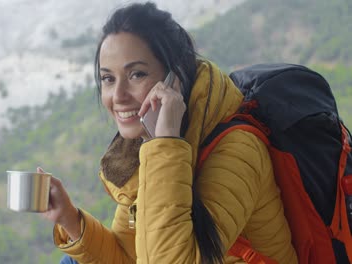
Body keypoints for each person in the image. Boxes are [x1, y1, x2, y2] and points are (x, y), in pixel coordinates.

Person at [39, 2, 298, 263]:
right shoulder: (147, 143)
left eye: (136, 74)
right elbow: (131, 256)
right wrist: (69, 219)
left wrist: (165, 143)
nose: (118, 96)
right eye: (108, 78)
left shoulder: (238, 149)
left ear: (175, 79)